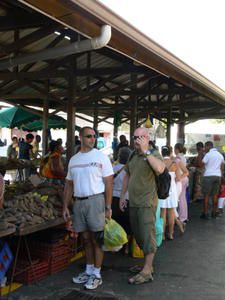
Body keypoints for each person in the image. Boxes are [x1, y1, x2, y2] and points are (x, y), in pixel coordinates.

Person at [63, 126, 113, 290]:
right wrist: (65, 205)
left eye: (94, 136)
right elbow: (69, 185)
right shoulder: (74, 159)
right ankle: (89, 270)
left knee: (96, 239)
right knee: (85, 238)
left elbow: (109, 182)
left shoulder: (101, 157)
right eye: (89, 136)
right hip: (79, 202)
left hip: (96, 201)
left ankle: (97, 274)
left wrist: (108, 206)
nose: (92, 139)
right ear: (80, 138)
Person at [120, 127, 165, 284]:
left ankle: (147, 271)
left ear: (147, 138)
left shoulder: (153, 154)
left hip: (147, 203)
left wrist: (146, 152)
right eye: (135, 138)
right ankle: (147, 265)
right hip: (133, 202)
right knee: (139, 235)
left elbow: (160, 168)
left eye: (141, 138)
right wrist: (122, 195)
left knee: (147, 235)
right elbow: (127, 174)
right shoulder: (133, 155)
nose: (137, 141)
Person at [112, 147, 132, 253]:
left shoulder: (113, 168)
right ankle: (127, 247)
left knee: (115, 223)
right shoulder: (130, 169)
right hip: (126, 198)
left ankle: (115, 245)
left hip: (114, 199)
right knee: (127, 224)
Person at [159, 146, 181, 240]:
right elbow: (179, 178)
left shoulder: (160, 163)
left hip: (162, 189)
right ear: (171, 152)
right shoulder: (174, 164)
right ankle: (171, 234)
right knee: (171, 212)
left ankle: (163, 235)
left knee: (162, 213)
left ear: (162, 152)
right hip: (172, 189)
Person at [201, 141, 224, 219]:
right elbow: (222, 167)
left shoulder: (208, 155)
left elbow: (202, 164)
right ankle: (214, 212)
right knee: (215, 195)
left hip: (208, 176)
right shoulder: (220, 155)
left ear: (208, 146)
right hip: (218, 176)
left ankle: (205, 213)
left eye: (205, 147)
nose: (204, 148)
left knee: (206, 195)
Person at [174, 143, 189, 224]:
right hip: (184, 178)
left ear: (177, 149)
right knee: (182, 198)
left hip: (181, 178)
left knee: (179, 199)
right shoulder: (183, 156)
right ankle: (184, 217)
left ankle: (182, 218)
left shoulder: (178, 158)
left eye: (174, 149)